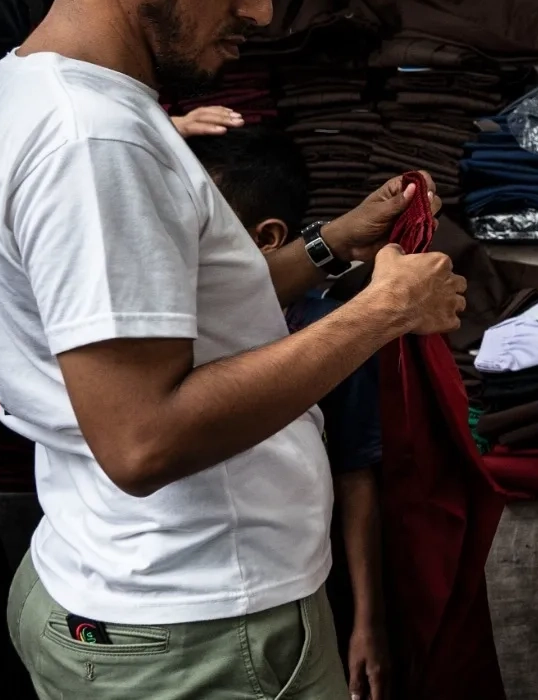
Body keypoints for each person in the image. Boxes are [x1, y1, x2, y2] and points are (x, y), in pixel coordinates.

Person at [0, 0, 466, 700]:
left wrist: (333, 245)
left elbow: (176, 311)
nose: (260, 7)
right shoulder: (97, 143)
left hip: (130, 587)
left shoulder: (32, 89)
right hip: (201, 634)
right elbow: (143, 439)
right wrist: (382, 313)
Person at [189, 126, 391, 700]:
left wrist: (368, 622)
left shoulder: (331, 334)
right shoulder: (169, 324)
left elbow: (355, 476)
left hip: (298, 586)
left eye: (195, 219)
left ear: (266, 238)